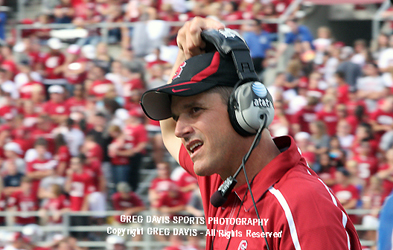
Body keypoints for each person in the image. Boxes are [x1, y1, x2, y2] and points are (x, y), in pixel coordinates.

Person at [140, 17, 361, 249]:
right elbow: (165, 129)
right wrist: (185, 51)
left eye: (194, 110)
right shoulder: (221, 181)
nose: (179, 130)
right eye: (177, 117)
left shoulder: (304, 207)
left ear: (243, 109)